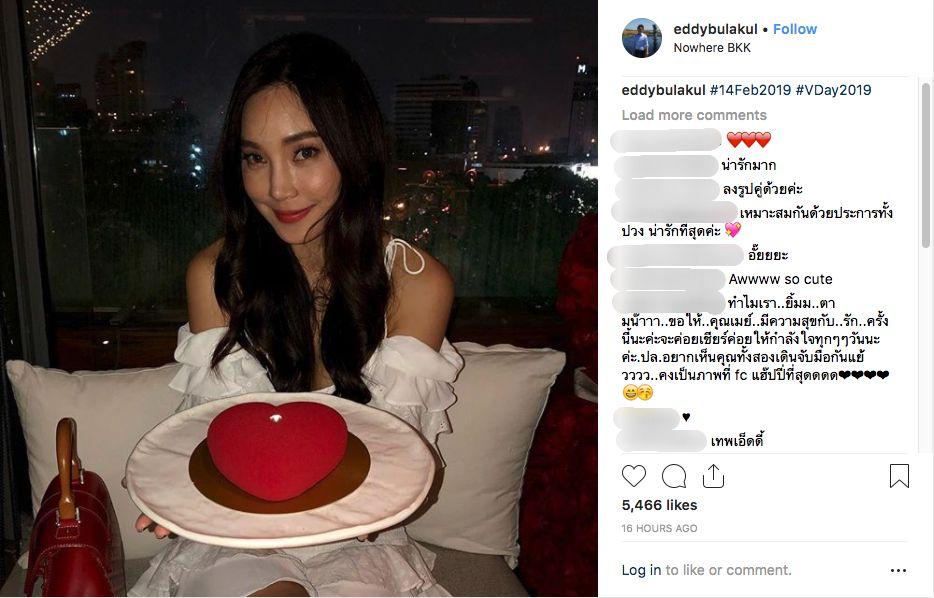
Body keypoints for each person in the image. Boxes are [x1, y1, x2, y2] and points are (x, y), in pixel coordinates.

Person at [128, 31, 464, 597]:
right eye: (255, 158)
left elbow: (398, 460)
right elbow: (214, 429)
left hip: (357, 536)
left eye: (304, 152)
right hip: (234, 531)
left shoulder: (416, 283)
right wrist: (179, 493)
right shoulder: (215, 275)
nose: (278, 188)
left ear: (353, 150)